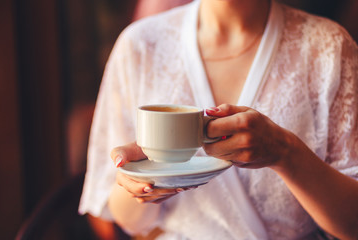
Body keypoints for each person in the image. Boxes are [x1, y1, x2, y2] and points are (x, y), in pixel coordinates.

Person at [79, 0, 358, 239]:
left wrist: (285, 152)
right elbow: (126, 220)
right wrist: (143, 181)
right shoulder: (140, 46)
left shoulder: (329, 48)